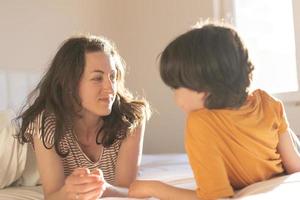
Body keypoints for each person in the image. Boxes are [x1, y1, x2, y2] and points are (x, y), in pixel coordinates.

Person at [128, 23, 300, 200]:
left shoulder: (200, 122)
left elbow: (216, 197)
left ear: (203, 87)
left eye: (176, 87)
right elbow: (295, 166)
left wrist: (155, 188)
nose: (175, 98)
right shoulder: (268, 102)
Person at [16, 35, 150, 200]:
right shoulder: (46, 124)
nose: (110, 88)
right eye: (97, 78)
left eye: (112, 77)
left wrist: (104, 188)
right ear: (70, 84)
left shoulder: (130, 118)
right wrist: (70, 191)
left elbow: (127, 190)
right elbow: (52, 195)